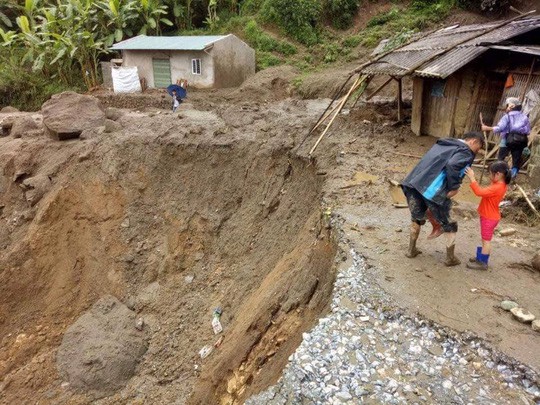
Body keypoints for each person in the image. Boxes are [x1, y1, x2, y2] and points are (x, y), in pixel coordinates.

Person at [401, 132, 484, 266]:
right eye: (478, 148)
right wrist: (454, 187)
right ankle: (450, 258)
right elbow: (453, 164)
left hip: (413, 182)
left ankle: (411, 250)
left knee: (416, 217)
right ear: (473, 141)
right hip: (432, 189)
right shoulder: (466, 151)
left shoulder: (445, 143)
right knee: (449, 224)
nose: (477, 151)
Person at [464, 161, 510, 270]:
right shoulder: (500, 184)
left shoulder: (497, 187)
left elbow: (479, 192)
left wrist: (472, 178)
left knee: (486, 240)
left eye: (490, 173)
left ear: (498, 174)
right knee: (485, 239)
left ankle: (482, 263)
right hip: (490, 216)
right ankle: (480, 257)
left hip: (489, 217)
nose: (489, 176)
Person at [481, 97, 531, 179]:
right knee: (516, 161)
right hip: (521, 141)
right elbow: (528, 131)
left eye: (507, 105)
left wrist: (487, 128)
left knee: (500, 158)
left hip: (507, 139)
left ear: (511, 106)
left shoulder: (507, 117)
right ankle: (512, 177)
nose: (506, 107)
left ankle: (497, 176)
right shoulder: (524, 117)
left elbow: (500, 128)